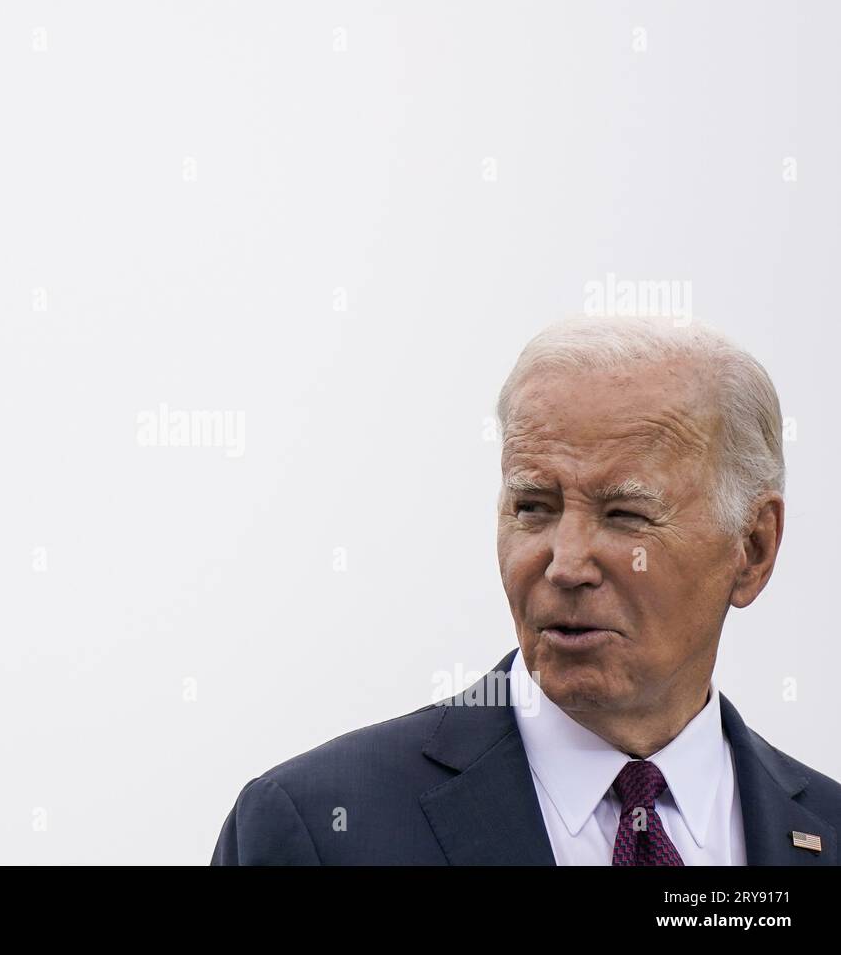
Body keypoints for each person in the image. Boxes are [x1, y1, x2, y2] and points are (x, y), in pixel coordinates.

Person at [211, 316, 840, 865]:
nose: (565, 565)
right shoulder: (319, 828)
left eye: (625, 516)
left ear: (752, 549)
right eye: (534, 507)